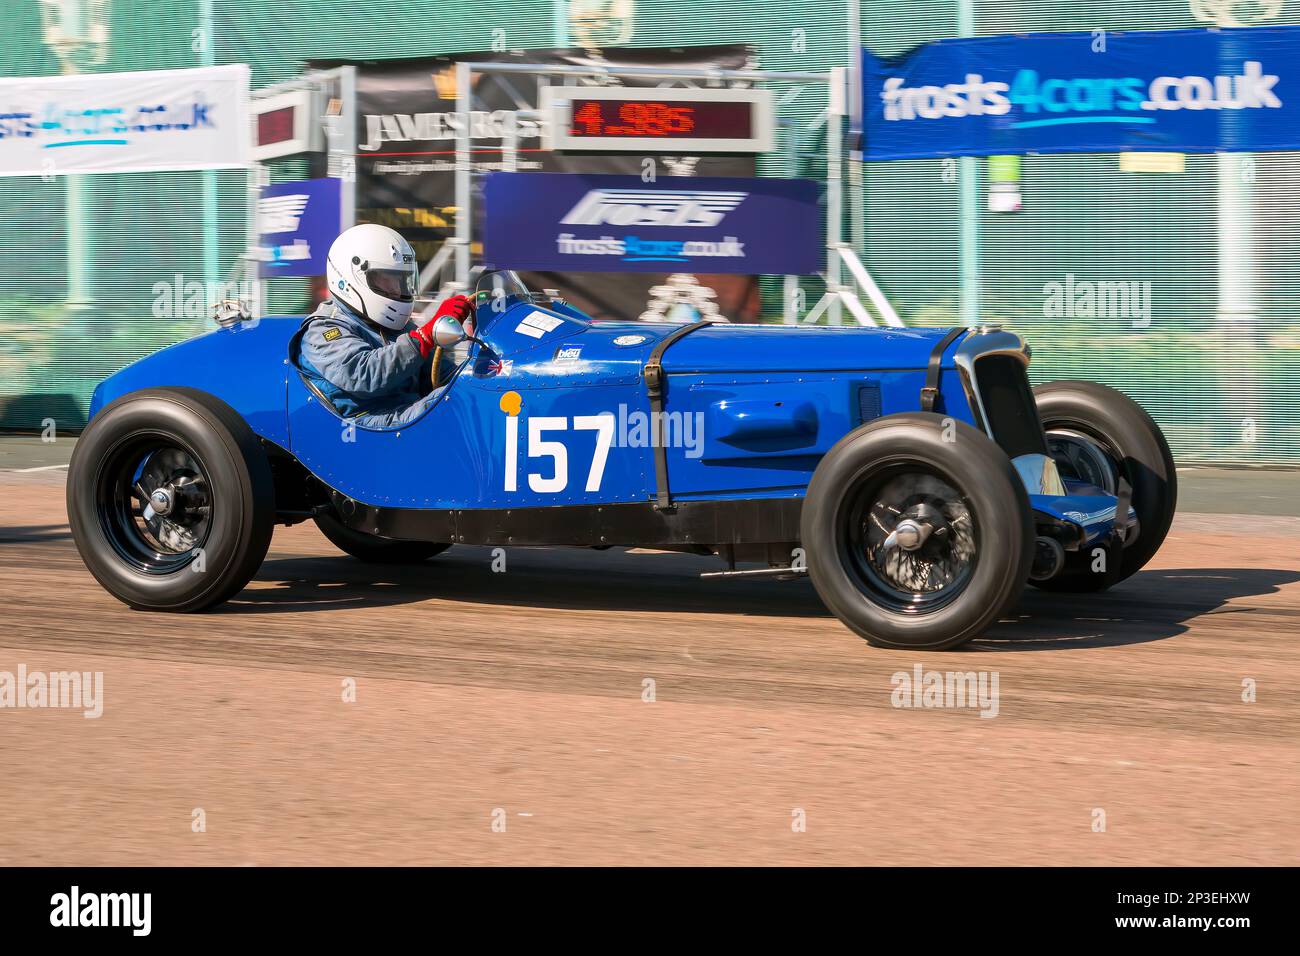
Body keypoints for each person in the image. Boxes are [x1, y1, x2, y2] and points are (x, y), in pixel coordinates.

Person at [297, 223, 472, 428]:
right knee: (458, 402)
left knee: (470, 393)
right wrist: (425, 336)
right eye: (387, 280)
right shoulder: (324, 330)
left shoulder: (395, 327)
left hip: (404, 416)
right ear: (350, 278)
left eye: (401, 280)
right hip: (368, 422)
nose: (397, 288)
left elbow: (442, 376)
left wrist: (478, 372)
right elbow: (364, 376)